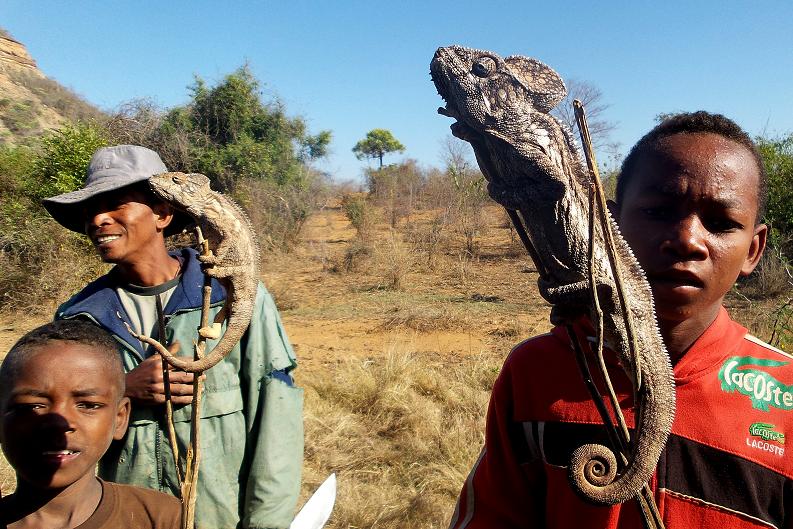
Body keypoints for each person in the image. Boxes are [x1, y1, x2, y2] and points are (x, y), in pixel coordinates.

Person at [449, 112, 793, 528]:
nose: (687, 240)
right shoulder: (537, 370)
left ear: (753, 250)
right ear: (609, 227)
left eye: (721, 224)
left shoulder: (783, 395)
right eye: (658, 211)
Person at [41, 145, 304, 529]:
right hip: (127, 515)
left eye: (115, 205)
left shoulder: (231, 294)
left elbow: (275, 412)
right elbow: (58, 427)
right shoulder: (78, 317)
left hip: (220, 514)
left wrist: (267, 522)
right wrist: (122, 389)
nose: (98, 220)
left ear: (163, 214)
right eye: (89, 211)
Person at [0, 319, 182, 528]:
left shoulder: (161, 517)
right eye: (32, 406)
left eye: (88, 405)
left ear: (120, 418)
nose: (60, 423)